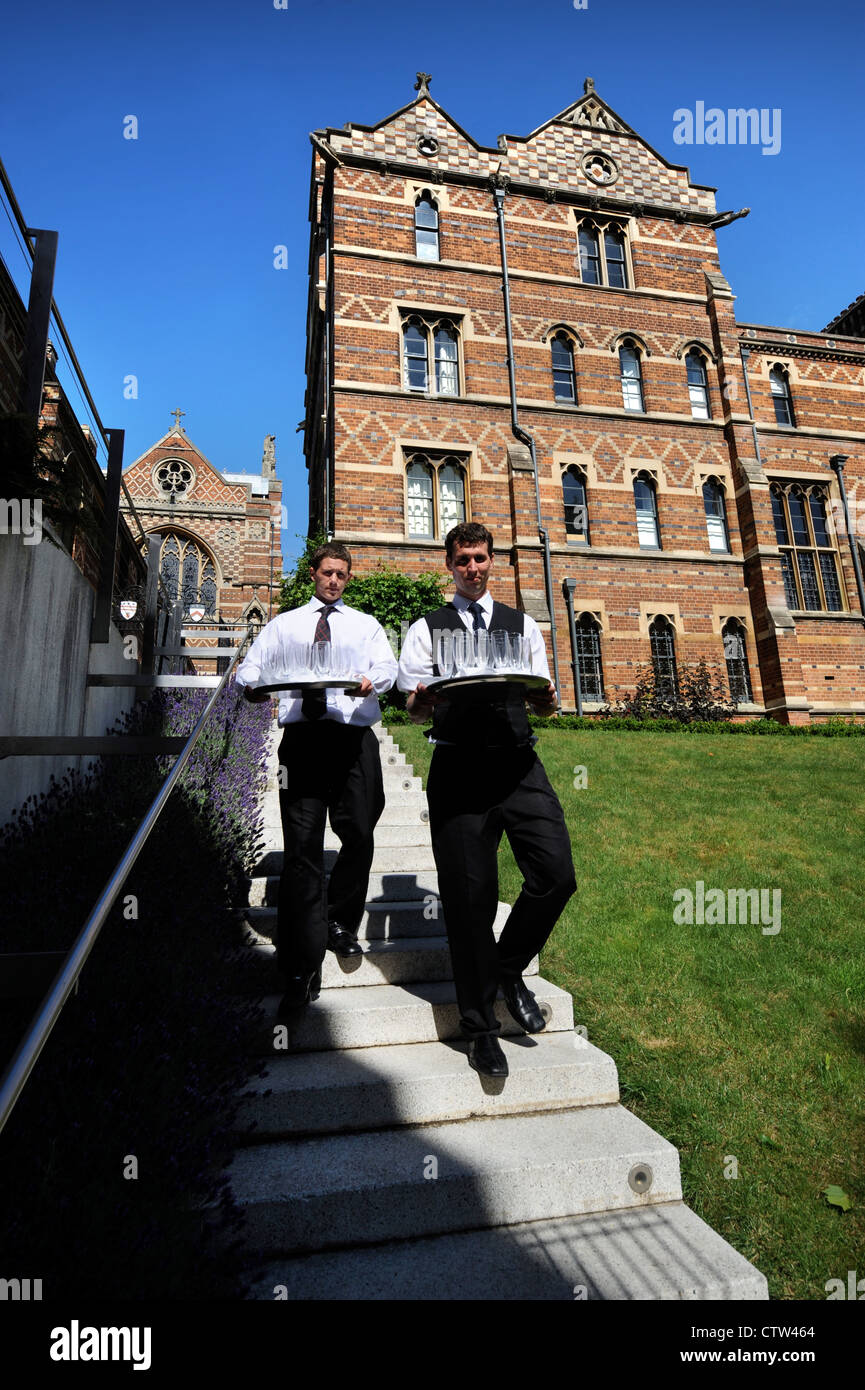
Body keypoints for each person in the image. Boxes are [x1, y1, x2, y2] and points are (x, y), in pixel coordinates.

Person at [397, 522, 576, 1077]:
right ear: (448, 565)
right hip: (459, 770)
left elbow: (545, 704)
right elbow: (411, 707)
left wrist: (547, 700)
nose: (472, 569)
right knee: (470, 903)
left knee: (556, 875)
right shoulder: (427, 629)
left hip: (519, 764)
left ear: (492, 560)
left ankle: (507, 966)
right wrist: (422, 700)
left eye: (479, 558)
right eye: (461, 561)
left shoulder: (522, 625)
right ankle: (479, 1030)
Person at [236, 542, 397, 1016]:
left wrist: (374, 681)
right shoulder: (284, 625)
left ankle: (341, 921)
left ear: (348, 578)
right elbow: (252, 665)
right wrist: (250, 685)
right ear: (313, 574)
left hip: (352, 740)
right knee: (303, 854)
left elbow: (387, 666)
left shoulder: (364, 625)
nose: (333, 581)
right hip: (303, 744)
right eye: (327, 573)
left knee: (361, 834)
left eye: (341, 575)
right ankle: (300, 971)